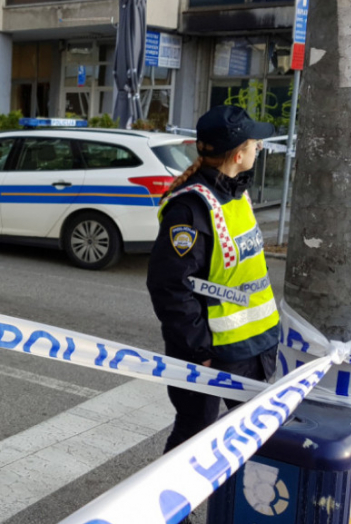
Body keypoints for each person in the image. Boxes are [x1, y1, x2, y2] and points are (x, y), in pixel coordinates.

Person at [147, 105, 280, 457]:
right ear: (237, 155)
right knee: (194, 435)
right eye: (254, 144)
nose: (259, 148)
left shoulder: (237, 192)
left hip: (253, 347)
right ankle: (173, 496)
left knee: (250, 440)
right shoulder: (189, 209)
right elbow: (171, 288)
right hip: (210, 353)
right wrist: (199, 351)